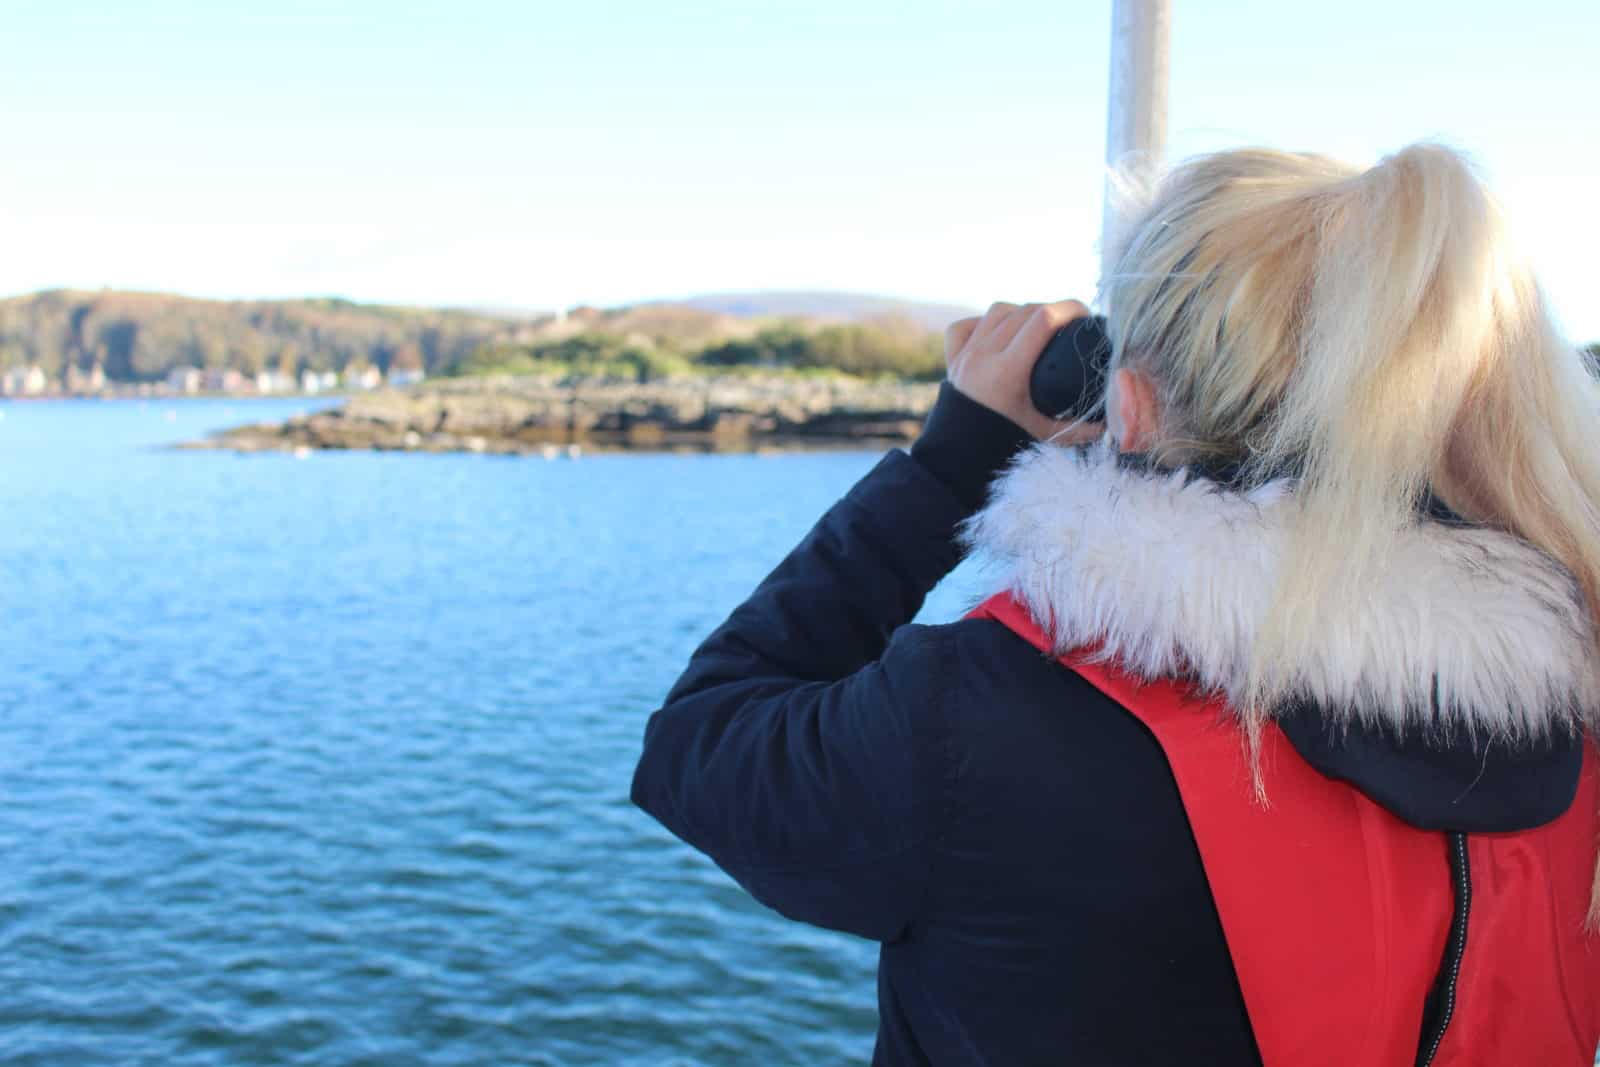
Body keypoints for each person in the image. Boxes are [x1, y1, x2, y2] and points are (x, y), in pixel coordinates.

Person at [630, 143, 1600, 1065]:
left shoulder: (988, 713)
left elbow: (697, 747)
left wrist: (948, 465)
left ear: (1126, 405)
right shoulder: (1576, 701)